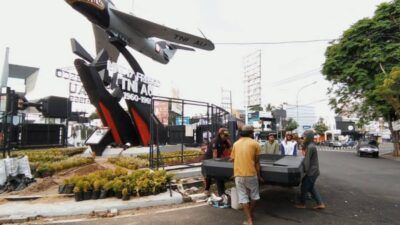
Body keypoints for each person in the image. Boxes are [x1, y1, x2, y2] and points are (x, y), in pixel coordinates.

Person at [230, 125, 262, 225]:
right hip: (251, 174)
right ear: (251, 133)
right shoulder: (255, 144)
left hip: (238, 174)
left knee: (243, 197)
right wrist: (259, 176)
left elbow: (233, 159)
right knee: (254, 196)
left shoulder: (236, 144)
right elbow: (257, 162)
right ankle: (251, 213)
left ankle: (249, 220)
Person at [295, 130, 326, 209]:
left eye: (305, 137)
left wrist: (304, 171)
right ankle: (320, 203)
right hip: (314, 171)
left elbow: (307, 161)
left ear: (308, 137)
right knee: (311, 187)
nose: (303, 138)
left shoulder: (310, 147)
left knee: (304, 187)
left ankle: (302, 204)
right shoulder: (311, 145)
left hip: (311, 172)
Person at [203, 128, 232, 196]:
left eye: (227, 135)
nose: (226, 137)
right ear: (220, 134)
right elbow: (214, 154)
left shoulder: (225, 141)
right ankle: (206, 190)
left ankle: (222, 190)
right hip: (209, 159)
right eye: (225, 135)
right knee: (208, 176)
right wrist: (215, 165)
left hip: (218, 159)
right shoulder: (215, 141)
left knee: (220, 175)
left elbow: (231, 149)